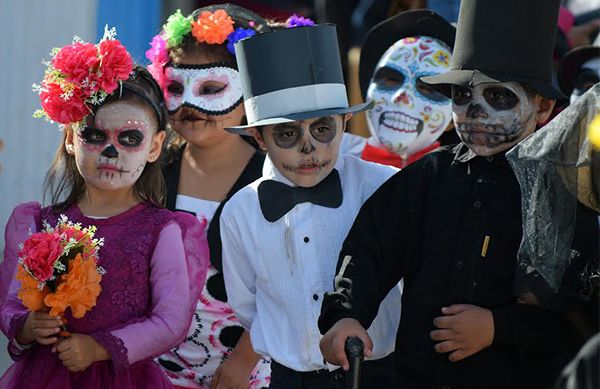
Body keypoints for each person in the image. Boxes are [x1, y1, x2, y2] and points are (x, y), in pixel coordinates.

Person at [318, 0, 599, 388]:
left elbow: (582, 310)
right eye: (463, 96)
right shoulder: (429, 177)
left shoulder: (563, 194)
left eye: (498, 97)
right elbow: (371, 247)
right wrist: (346, 313)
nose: (475, 112)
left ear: (543, 106)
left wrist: (498, 327)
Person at [0, 31, 208, 388]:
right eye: (95, 136)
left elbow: (171, 321)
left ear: (155, 147)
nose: (111, 153)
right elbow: (11, 302)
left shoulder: (163, 230)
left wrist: (99, 348)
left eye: (130, 139)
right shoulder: (35, 223)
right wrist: (28, 325)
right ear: (70, 139)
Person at [219, 24, 402, 389]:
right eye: (288, 134)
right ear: (259, 137)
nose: (309, 149)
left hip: (378, 375)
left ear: (345, 122)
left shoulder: (382, 186)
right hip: (292, 380)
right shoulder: (241, 211)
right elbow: (248, 305)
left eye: (322, 129)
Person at [146, 5, 272, 388]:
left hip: (244, 370)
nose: (188, 104)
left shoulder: (272, 178)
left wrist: (242, 361)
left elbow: (283, 281)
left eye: (212, 89)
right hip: (153, 366)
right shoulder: (150, 169)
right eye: (174, 88)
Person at [357, 9, 457, 168]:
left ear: (452, 120)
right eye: (391, 80)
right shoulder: (330, 167)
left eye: (426, 89)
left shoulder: (458, 189)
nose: (402, 96)